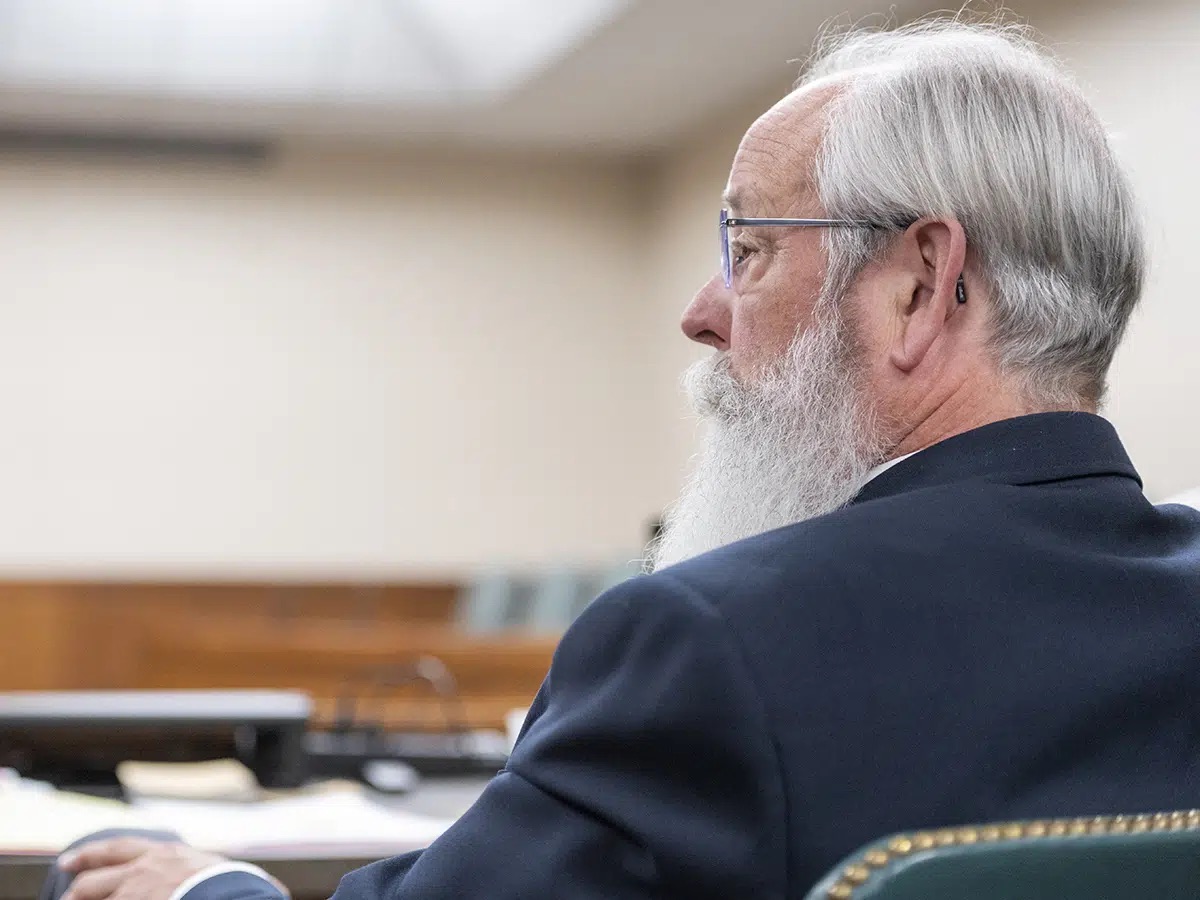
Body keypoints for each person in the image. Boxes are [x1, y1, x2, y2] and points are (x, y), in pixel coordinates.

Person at [49, 15, 1200, 900]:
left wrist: (204, 884)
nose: (703, 312)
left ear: (915, 283)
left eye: (747, 249)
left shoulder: (711, 647)